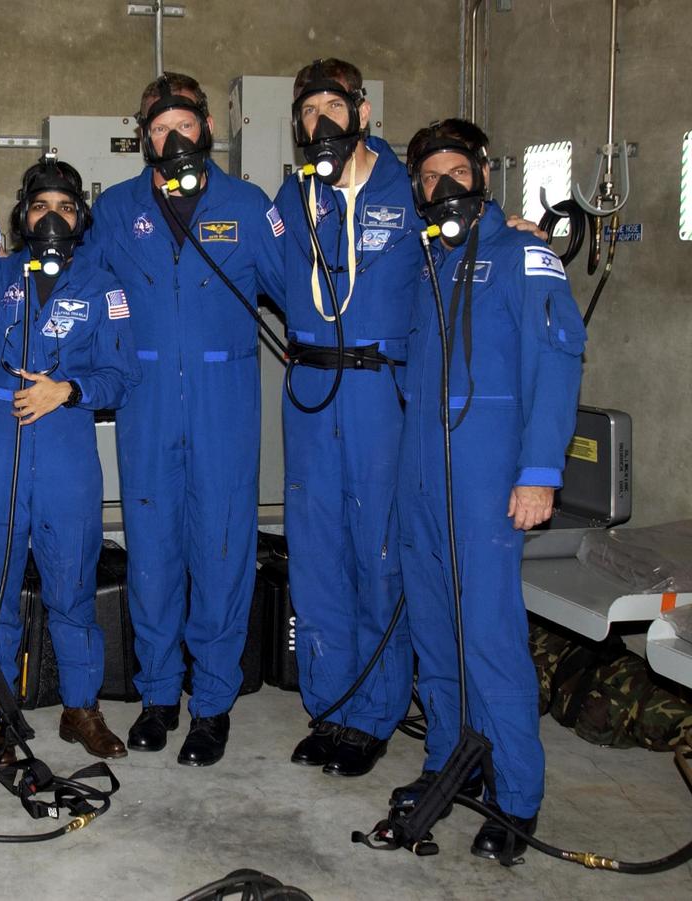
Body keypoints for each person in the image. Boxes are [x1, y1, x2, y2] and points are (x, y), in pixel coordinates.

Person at [80, 73, 286, 767]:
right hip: (146, 408)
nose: (173, 138)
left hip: (223, 407)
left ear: (207, 129)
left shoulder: (248, 206)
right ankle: (159, 694)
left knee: (223, 553)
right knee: (154, 557)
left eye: (184, 124)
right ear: (143, 135)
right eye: (158, 126)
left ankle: (213, 704)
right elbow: (76, 288)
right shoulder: (115, 210)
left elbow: (306, 290)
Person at [394, 118, 585, 859]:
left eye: (457, 171)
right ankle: (448, 765)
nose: (445, 186)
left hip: (487, 478)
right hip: (423, 475)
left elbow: (558, 360)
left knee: (492, 642)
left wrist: (539, 471)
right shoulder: (423, 264)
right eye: (430, 176)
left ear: (482, 174)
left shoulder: (522, 252)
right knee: (436, 636)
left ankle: (515, 797)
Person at [0, 156, 140, 767]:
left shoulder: (103, 285)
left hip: (66, 450)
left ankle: (80, 709)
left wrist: (66, 389)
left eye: (66, 206)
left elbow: (121, 374)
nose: (53, 216)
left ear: (80, 217)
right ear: (23, 215)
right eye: (41, 205)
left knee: (72, 591)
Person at [274, 59, 416, 777]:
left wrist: (507, 226)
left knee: (379, 553)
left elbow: (464, 238)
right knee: (318, 554)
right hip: (309, 391)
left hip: (378, 394)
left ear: (362, 113)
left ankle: (375, 712)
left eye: (336, 105)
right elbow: (250, 265)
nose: (322, 121)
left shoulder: (408, 185)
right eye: (309, 110)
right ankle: (329, 707)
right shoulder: (295, 197)